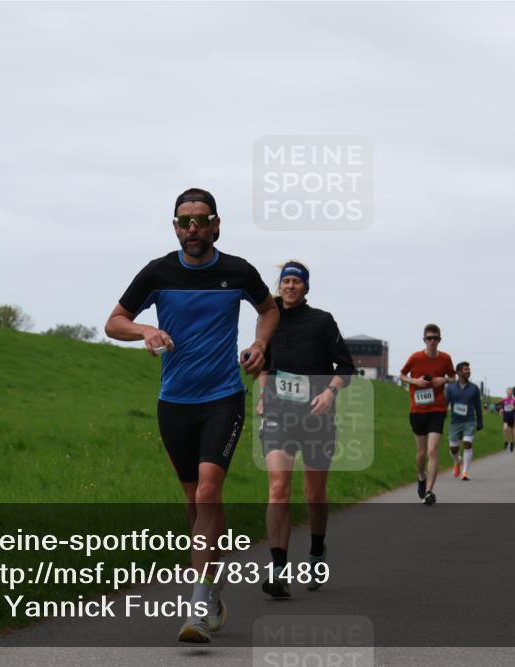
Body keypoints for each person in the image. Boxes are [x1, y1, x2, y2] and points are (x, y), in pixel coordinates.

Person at [105, 187, 278, 643]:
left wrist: (260, 343)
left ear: (216, 225)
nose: (193, 228)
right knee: (195, 501)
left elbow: (268, 310)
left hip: (223, 397)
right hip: (174, 402)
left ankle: (198, 606)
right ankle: (214, 585)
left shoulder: (238, 271)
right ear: (176, 227)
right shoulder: (158, 272)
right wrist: (145, 329)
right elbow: (114, 322)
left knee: (207, 491)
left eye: (202, 220)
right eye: (185, 221)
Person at [257, 260, 354, 598]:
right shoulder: (268, 319)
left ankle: (316, 551)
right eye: (286, 281)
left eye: (296, 281)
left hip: (316, 417)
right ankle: (278, 571)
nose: (290, 286)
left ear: (306, 287)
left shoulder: (322, 321)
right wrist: (262, 395)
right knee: (278, 488)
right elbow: (265, 365)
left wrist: (330, 392)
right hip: (279, 415)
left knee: (314, 494)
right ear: (280, 285)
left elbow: (346, 367)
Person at [399, 324, 456, 505]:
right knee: (422, 453)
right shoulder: (415, 357)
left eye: (435, 338)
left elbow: (453, 377)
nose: (432, 341)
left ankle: (429, 491)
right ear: (424, 340)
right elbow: (402, 375)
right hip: (417, 410)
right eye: (429, 338)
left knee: (432, 450)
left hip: (437, 410)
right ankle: (421, 476)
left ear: (440, 340)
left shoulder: (445, 358)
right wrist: (416, 381)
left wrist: (443, 379)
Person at [445, 362, 483, 480]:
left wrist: (480, 421)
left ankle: (465, 472)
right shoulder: (450, 388)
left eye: (469, 369)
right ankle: (457, 461)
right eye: (466, 369)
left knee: (467, 443)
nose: (468, 371)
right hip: (455, 422)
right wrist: (442, 416)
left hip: (469, 421)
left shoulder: (474, 388)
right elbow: (445, 404)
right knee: (453, 449)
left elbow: (478, 406)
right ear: (458, 372)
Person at [501, 387, 515, 452]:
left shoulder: (514, 400)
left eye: (510, 392)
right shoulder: (504, 400)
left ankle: (513, 442)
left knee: (512, 431)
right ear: (506, 392)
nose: (509, 393)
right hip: (506, 417)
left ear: (512, 393)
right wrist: (501, 410)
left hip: (512, 417)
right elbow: (502, 408)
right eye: (508, 392)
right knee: (505, 429)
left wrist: (514, 408)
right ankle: (506, 441)